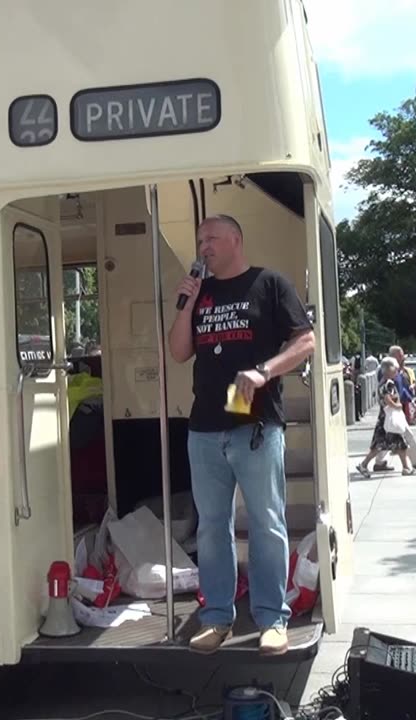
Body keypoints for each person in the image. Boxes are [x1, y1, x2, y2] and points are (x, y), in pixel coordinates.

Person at [168, 214, 316, 657]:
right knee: (213, 529)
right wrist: (186, 304)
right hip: (204, 428)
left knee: (267, 524)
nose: (203, 247)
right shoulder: (201, 293)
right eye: (199, 241)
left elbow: (306, 341)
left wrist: (264, 370)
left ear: (235, 239)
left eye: (210, 238)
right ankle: (217, 617)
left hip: (254, 426)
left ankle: (272, 619)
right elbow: (177, 352)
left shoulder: (269, 284)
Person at [356, 357, 416, 477]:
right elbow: (387, 399)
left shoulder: (383, 382)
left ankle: (406, 467)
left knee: (395, 444)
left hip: (385, 417)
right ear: (389, 369)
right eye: (395, 369)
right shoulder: (388, 383)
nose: (397, 371)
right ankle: (364, 464)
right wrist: (397, 406)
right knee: (387, 444)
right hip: (389, 419)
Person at [389, 345, 416, 470]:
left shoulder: (399, 370)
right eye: (401, 354)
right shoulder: (387, 369)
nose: (403, 357)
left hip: (398, 407)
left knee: (386, 438)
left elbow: (403, 389)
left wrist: (412, 400)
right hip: (392, 409)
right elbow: (389, 390)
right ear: (395, 356)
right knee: (405, 435)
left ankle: (379, 462)